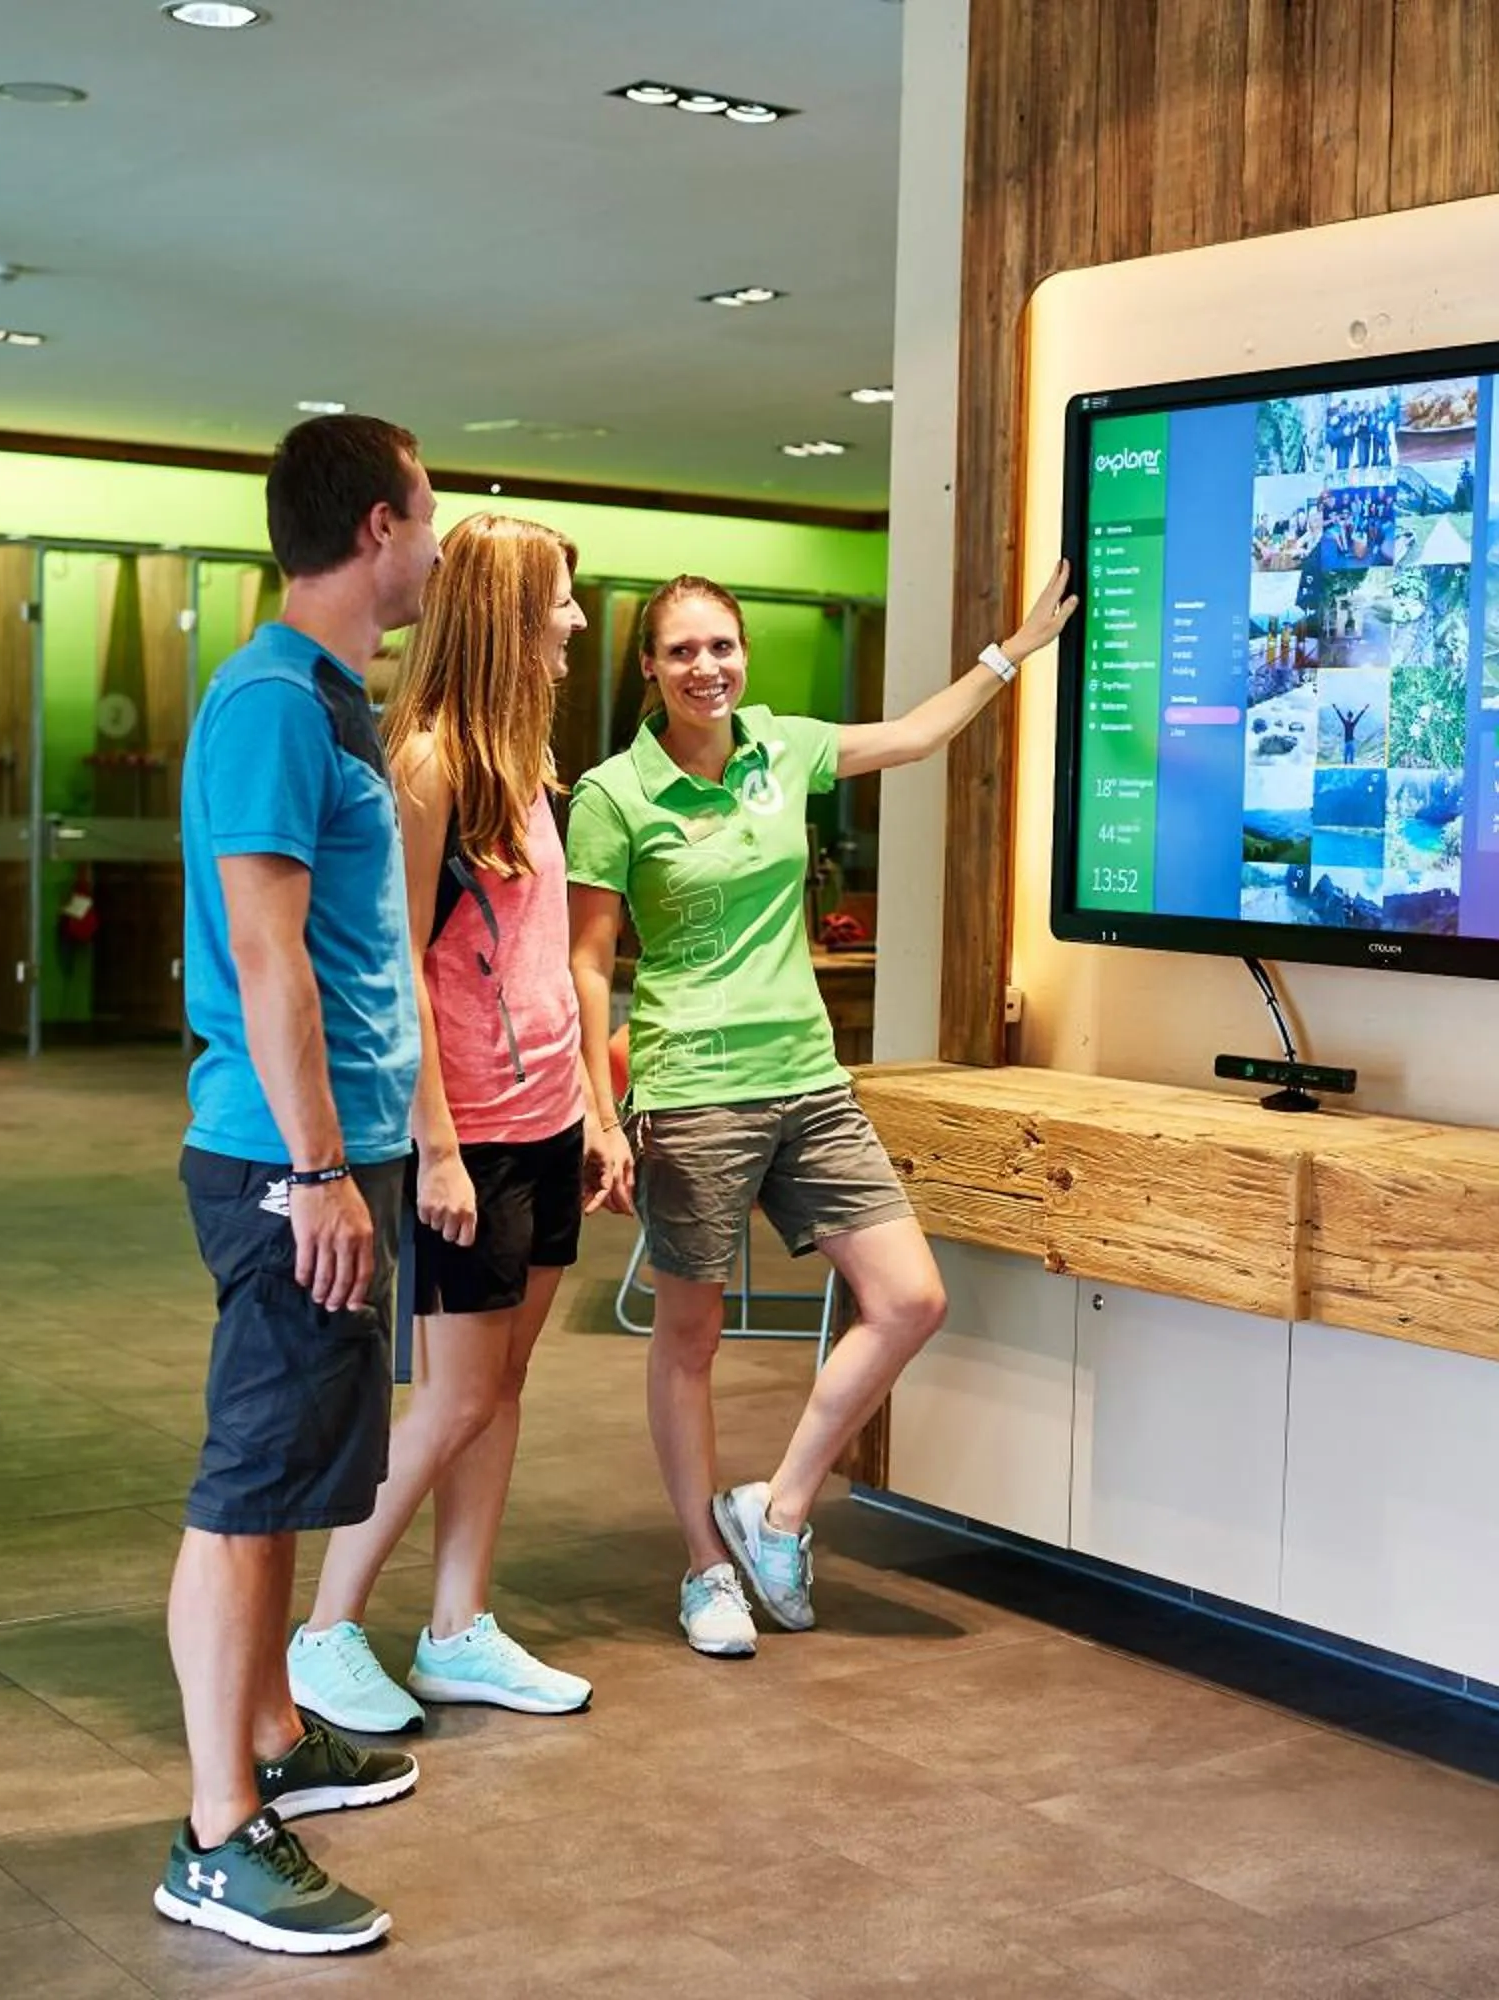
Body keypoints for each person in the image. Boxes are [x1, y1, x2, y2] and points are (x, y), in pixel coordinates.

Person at [567, 562, 1078, 1656]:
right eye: (682, 651)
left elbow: (913, 735)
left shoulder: (781, 745)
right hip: (692, 1085)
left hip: (808, 1075)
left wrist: (1012, 649)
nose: (708, 667)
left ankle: (778, 1508)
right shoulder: (617, 793)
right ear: (649, 670)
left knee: (909, 1296)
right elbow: (587, 957)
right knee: (689, 1337)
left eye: (722, 646)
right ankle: (706, 1566)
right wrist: (599, 1108)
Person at [154, 414, 438, 1958]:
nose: (442, 540)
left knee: (295, 1476)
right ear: (379, 527)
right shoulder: (270, 699)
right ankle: (214, 1834)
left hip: (337, 1155)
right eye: (431, 509)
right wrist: (321, 1167)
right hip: (283, 1161)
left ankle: (270, 1731)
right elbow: (268, 963)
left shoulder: (331, 702)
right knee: (248, 1491)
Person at [284, 514, 631, 1732]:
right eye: (561, 602)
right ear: (508, 610)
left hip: (541, 1119)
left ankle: (457, 1626)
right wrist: (435, 1146)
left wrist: (589, 1104)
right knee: (453, 1396)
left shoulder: (526, 760)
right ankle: (323, 1630)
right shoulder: (426, 762)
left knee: (503, 1385)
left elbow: (534, 955)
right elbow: (395, 968)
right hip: (467, 1135)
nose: (578, 622)